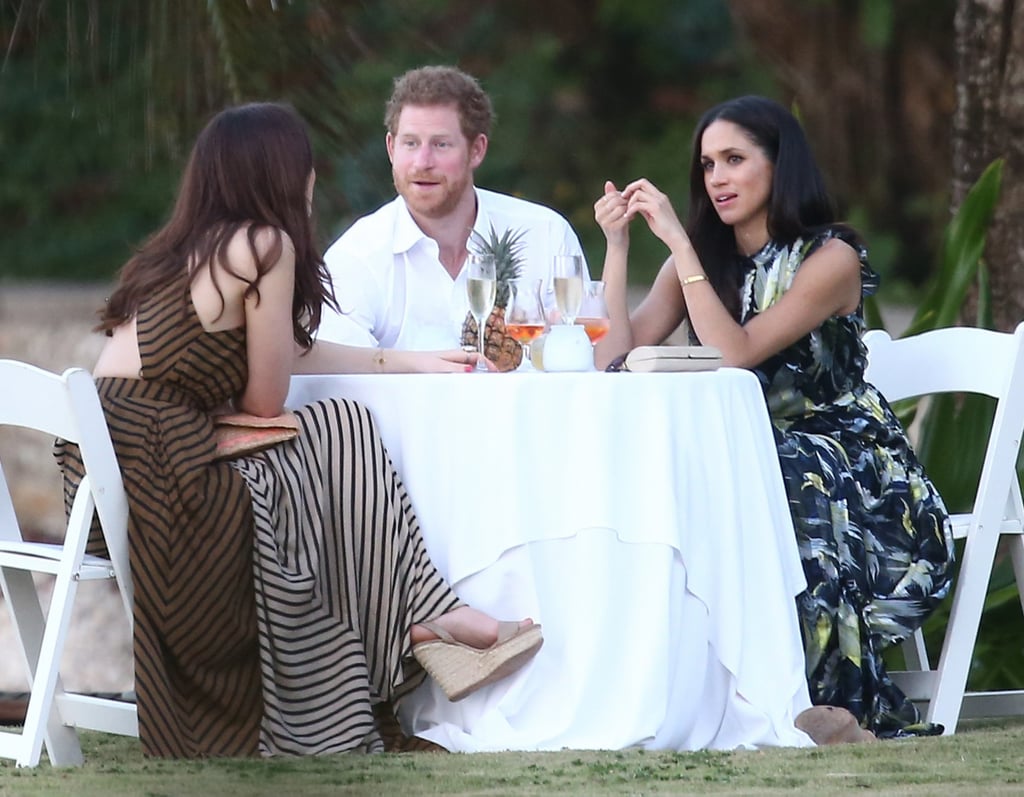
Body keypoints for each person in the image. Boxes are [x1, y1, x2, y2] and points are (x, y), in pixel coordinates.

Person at [55, 102, 542, 759]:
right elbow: (266, 395)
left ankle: (429, 617)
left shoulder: (176, 251)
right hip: (165, 477)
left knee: (339, 427)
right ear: (281, 173)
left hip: (101, 475)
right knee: (338, 436)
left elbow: (284, 349)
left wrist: (404, 360)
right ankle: (425, 618)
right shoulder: (266, 243)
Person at [592, 95, 954, 740]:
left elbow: (737, 355)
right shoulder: (702, 261)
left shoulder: (832, 257)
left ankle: (826, 702)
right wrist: (618, 248)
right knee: (665, 471)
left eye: (734, 160)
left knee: (775, 469)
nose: (717, 179)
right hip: (746, 449)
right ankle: (689, 687)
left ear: (780, 165)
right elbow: (612, 358)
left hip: (848, 465)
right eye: (707, 165)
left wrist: (679, 242)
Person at [317, 64, 589, 350]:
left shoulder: (545, 234)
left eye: (441, 144)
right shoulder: (357, 255)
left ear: (477, 150)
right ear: (390, 148)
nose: (422, 162)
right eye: (410, 143)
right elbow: (337, 371)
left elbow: (588, 359)